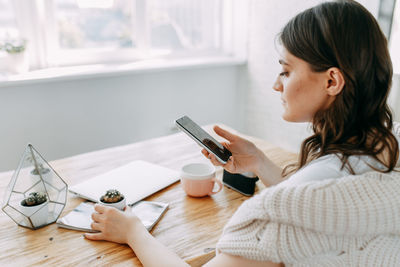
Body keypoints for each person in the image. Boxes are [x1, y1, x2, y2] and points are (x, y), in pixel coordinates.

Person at [85, 0, 400, 266]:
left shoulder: (279, 213)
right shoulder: (386, 147)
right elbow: (325, 205)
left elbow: (300, 203)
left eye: (287, 70)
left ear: (332, 82)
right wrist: (260, 163)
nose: (277, 84)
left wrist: (134, 232)